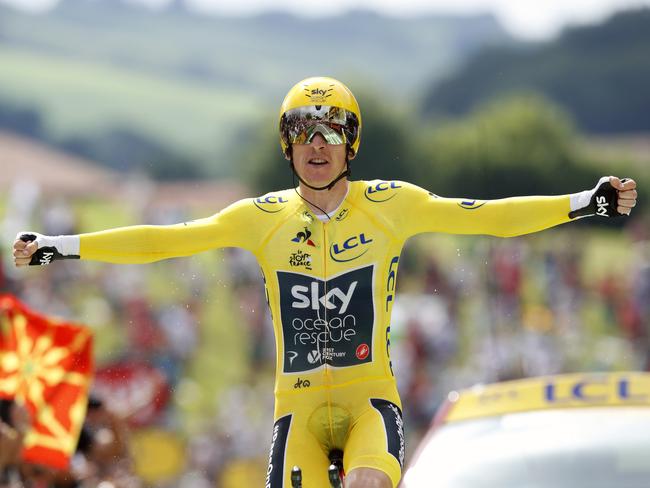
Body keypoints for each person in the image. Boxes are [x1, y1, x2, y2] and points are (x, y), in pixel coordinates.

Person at [12, 77, 638, 488]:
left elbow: (490, 217)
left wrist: (585, 202)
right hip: (298, 411)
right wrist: (58, 247)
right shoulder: (258, 218)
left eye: (330, 133)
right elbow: (161, 240)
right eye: (302, 134)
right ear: (287, 148)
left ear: (351, 145)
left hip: (370, 404)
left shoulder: (393, 203)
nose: (316, 146)